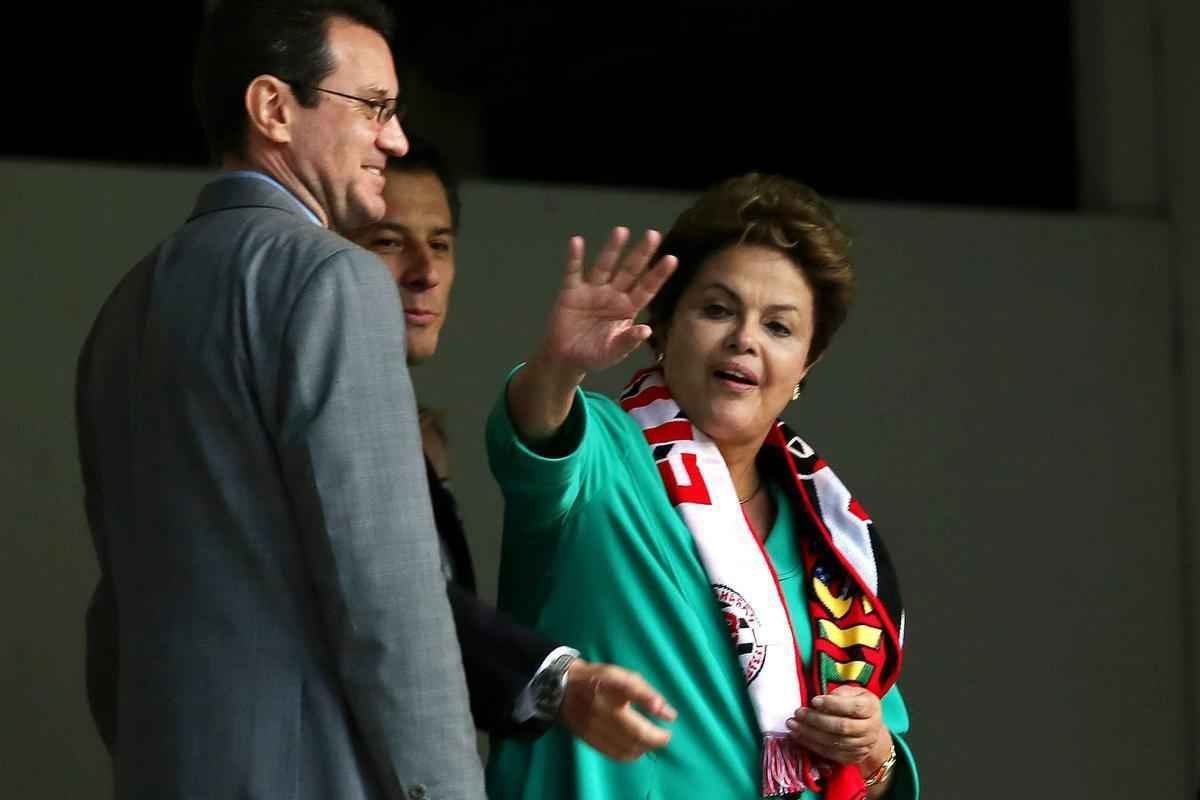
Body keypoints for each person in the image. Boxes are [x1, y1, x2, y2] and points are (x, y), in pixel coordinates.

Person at [74, 2, 485, 797]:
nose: (394, 139)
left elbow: (114, 620)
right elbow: (391, 608)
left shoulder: (124, 308)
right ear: (272, 109)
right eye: (375, 108)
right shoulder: (334, 279)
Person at [484, 174, 918, 798]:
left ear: (806, 365)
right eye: (717, 309)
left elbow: (882, 771)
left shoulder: (832, 539)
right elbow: (532, 433)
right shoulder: (601, 449)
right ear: (663, 325)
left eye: (780, 326)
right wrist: (559, 364)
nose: (744, 339)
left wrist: (872, 750)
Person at [349, 139, 677, 753]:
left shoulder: (402, 431)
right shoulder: (337, 415)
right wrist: (559, 680)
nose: (424, 271)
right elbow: (388, 601)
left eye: (441, 244)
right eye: (389, 241)